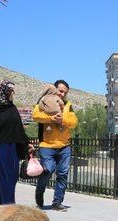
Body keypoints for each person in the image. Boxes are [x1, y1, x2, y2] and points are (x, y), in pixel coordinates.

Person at [31, 79, 78, 211]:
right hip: (46, 145)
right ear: (54, 89)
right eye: (60, 91)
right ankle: (39, 193)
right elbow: (35, 115)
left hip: (64, 146)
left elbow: (74, 122)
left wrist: (63, 119)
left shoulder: (68, 105)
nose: (62, 94)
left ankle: (57, 202)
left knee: (63, 174)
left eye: (65, 92)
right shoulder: (43, 101)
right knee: (48, 170)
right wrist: (51, 119)